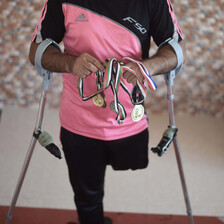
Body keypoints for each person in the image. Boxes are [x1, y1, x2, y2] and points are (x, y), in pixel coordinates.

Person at [29, 0, 186, 223]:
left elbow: (176, 48)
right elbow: (37, 49)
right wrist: (71, 63)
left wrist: (146, 68)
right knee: (87, 196)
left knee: (130, 172)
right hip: (78, 121)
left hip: (129, 120)